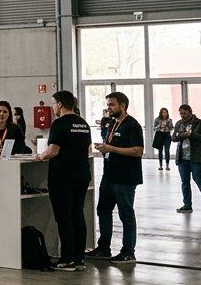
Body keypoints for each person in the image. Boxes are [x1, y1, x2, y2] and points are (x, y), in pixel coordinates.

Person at [37, 91, 93, 271]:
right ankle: (79, 258)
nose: (52, 107)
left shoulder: (59, 123)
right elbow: (88, 148)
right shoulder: (83, 123)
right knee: (77, 214)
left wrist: (40, 155)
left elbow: (53, 151)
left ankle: (66, 258)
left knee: (63, 217)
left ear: (60, 104)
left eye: (53, 103)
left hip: (63, 176)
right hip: (82, 174)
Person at [87, 92, 143, 264]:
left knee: (126, 213)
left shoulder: (132, 125)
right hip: (109, 175)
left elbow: (138, 151)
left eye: (112, 104)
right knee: (103, 209)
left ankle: (128, 252)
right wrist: (104, 148)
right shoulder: (112, 124)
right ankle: (104, 248)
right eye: (108, 104)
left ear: (123, 106)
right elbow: (111, 145)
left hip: (125, 177)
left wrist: (111, 148)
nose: (108, 108)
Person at [171, 104, 201, 213]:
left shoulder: (200, 123)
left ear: (190, 112)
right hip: (182, 158)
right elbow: (174, 137)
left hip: (196, 157)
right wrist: (180, 135)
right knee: (185, 182)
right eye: (181, 113)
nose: (182, 115)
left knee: (198, 179)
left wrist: (191, 135)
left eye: (184, 113)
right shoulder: (179, 123)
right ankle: (187, 205)